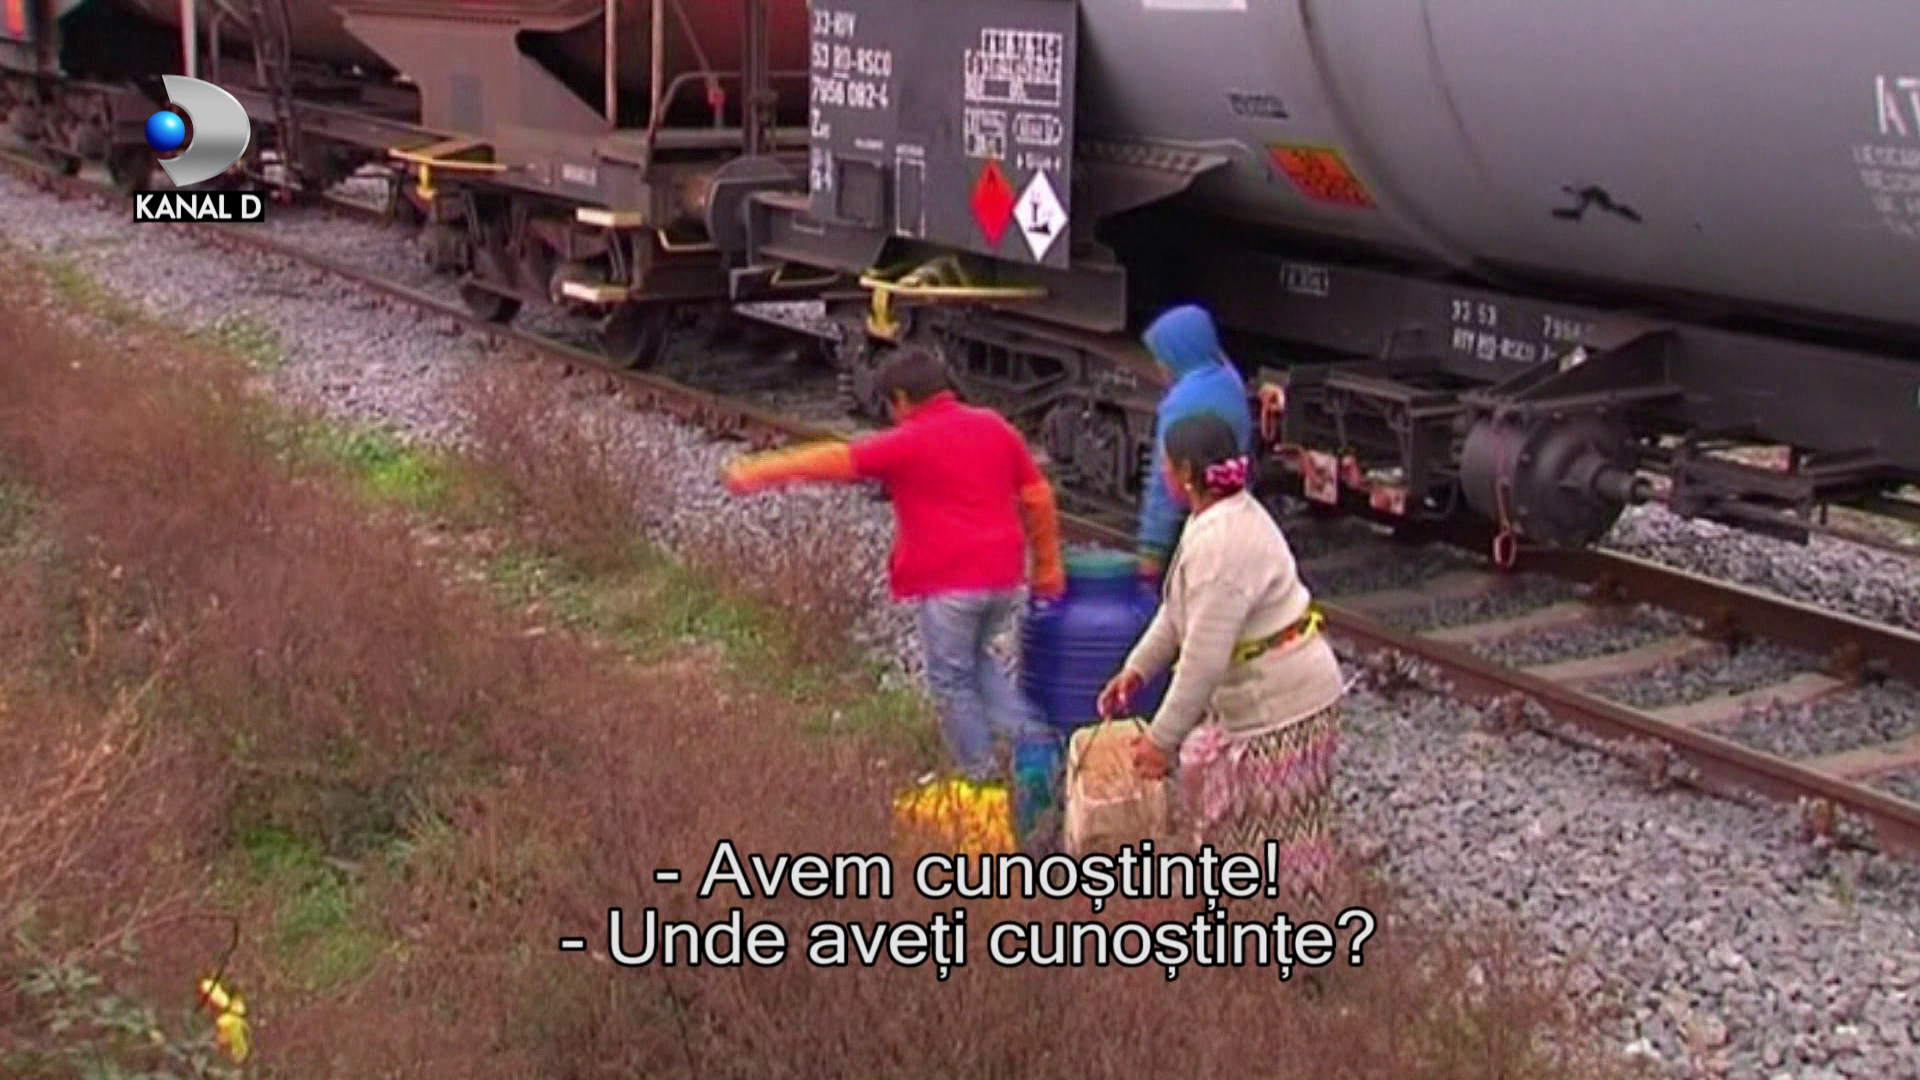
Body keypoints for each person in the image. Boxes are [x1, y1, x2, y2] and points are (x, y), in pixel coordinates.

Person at [721, 348, 1067, 782]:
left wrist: (758, 472)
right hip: (1002, 580)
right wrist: (1047, 566)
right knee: (975, 663)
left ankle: (980, 779)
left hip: (951, 583)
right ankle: (1038, 747)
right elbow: (1037, 496)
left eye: (890, 404)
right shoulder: (994, 426)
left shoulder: (909, 440)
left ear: (901, 398)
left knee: (951, 683)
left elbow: (837, 460)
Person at [1096, 412, 1345, 903]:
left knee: (1284, 856)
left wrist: (1161, 741)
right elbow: (1178, 612)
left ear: (1188, 474)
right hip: (1266, 701)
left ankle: (1296, 942)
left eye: (1167, 464)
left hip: (1284, 710)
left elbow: (1203, 662)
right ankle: (1244, 933)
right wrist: (1137, 669)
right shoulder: (1218, 516)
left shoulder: (1220, 545)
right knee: (1238, 840)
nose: (1161, 472)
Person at [1135, 304, 1254, 582]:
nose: (1159, 366)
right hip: (1236, 508)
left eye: (1162, 357)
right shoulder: (1230, 380)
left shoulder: (1181, 403)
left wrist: (1152, 547)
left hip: (1197, 514)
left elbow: (1163, 481)